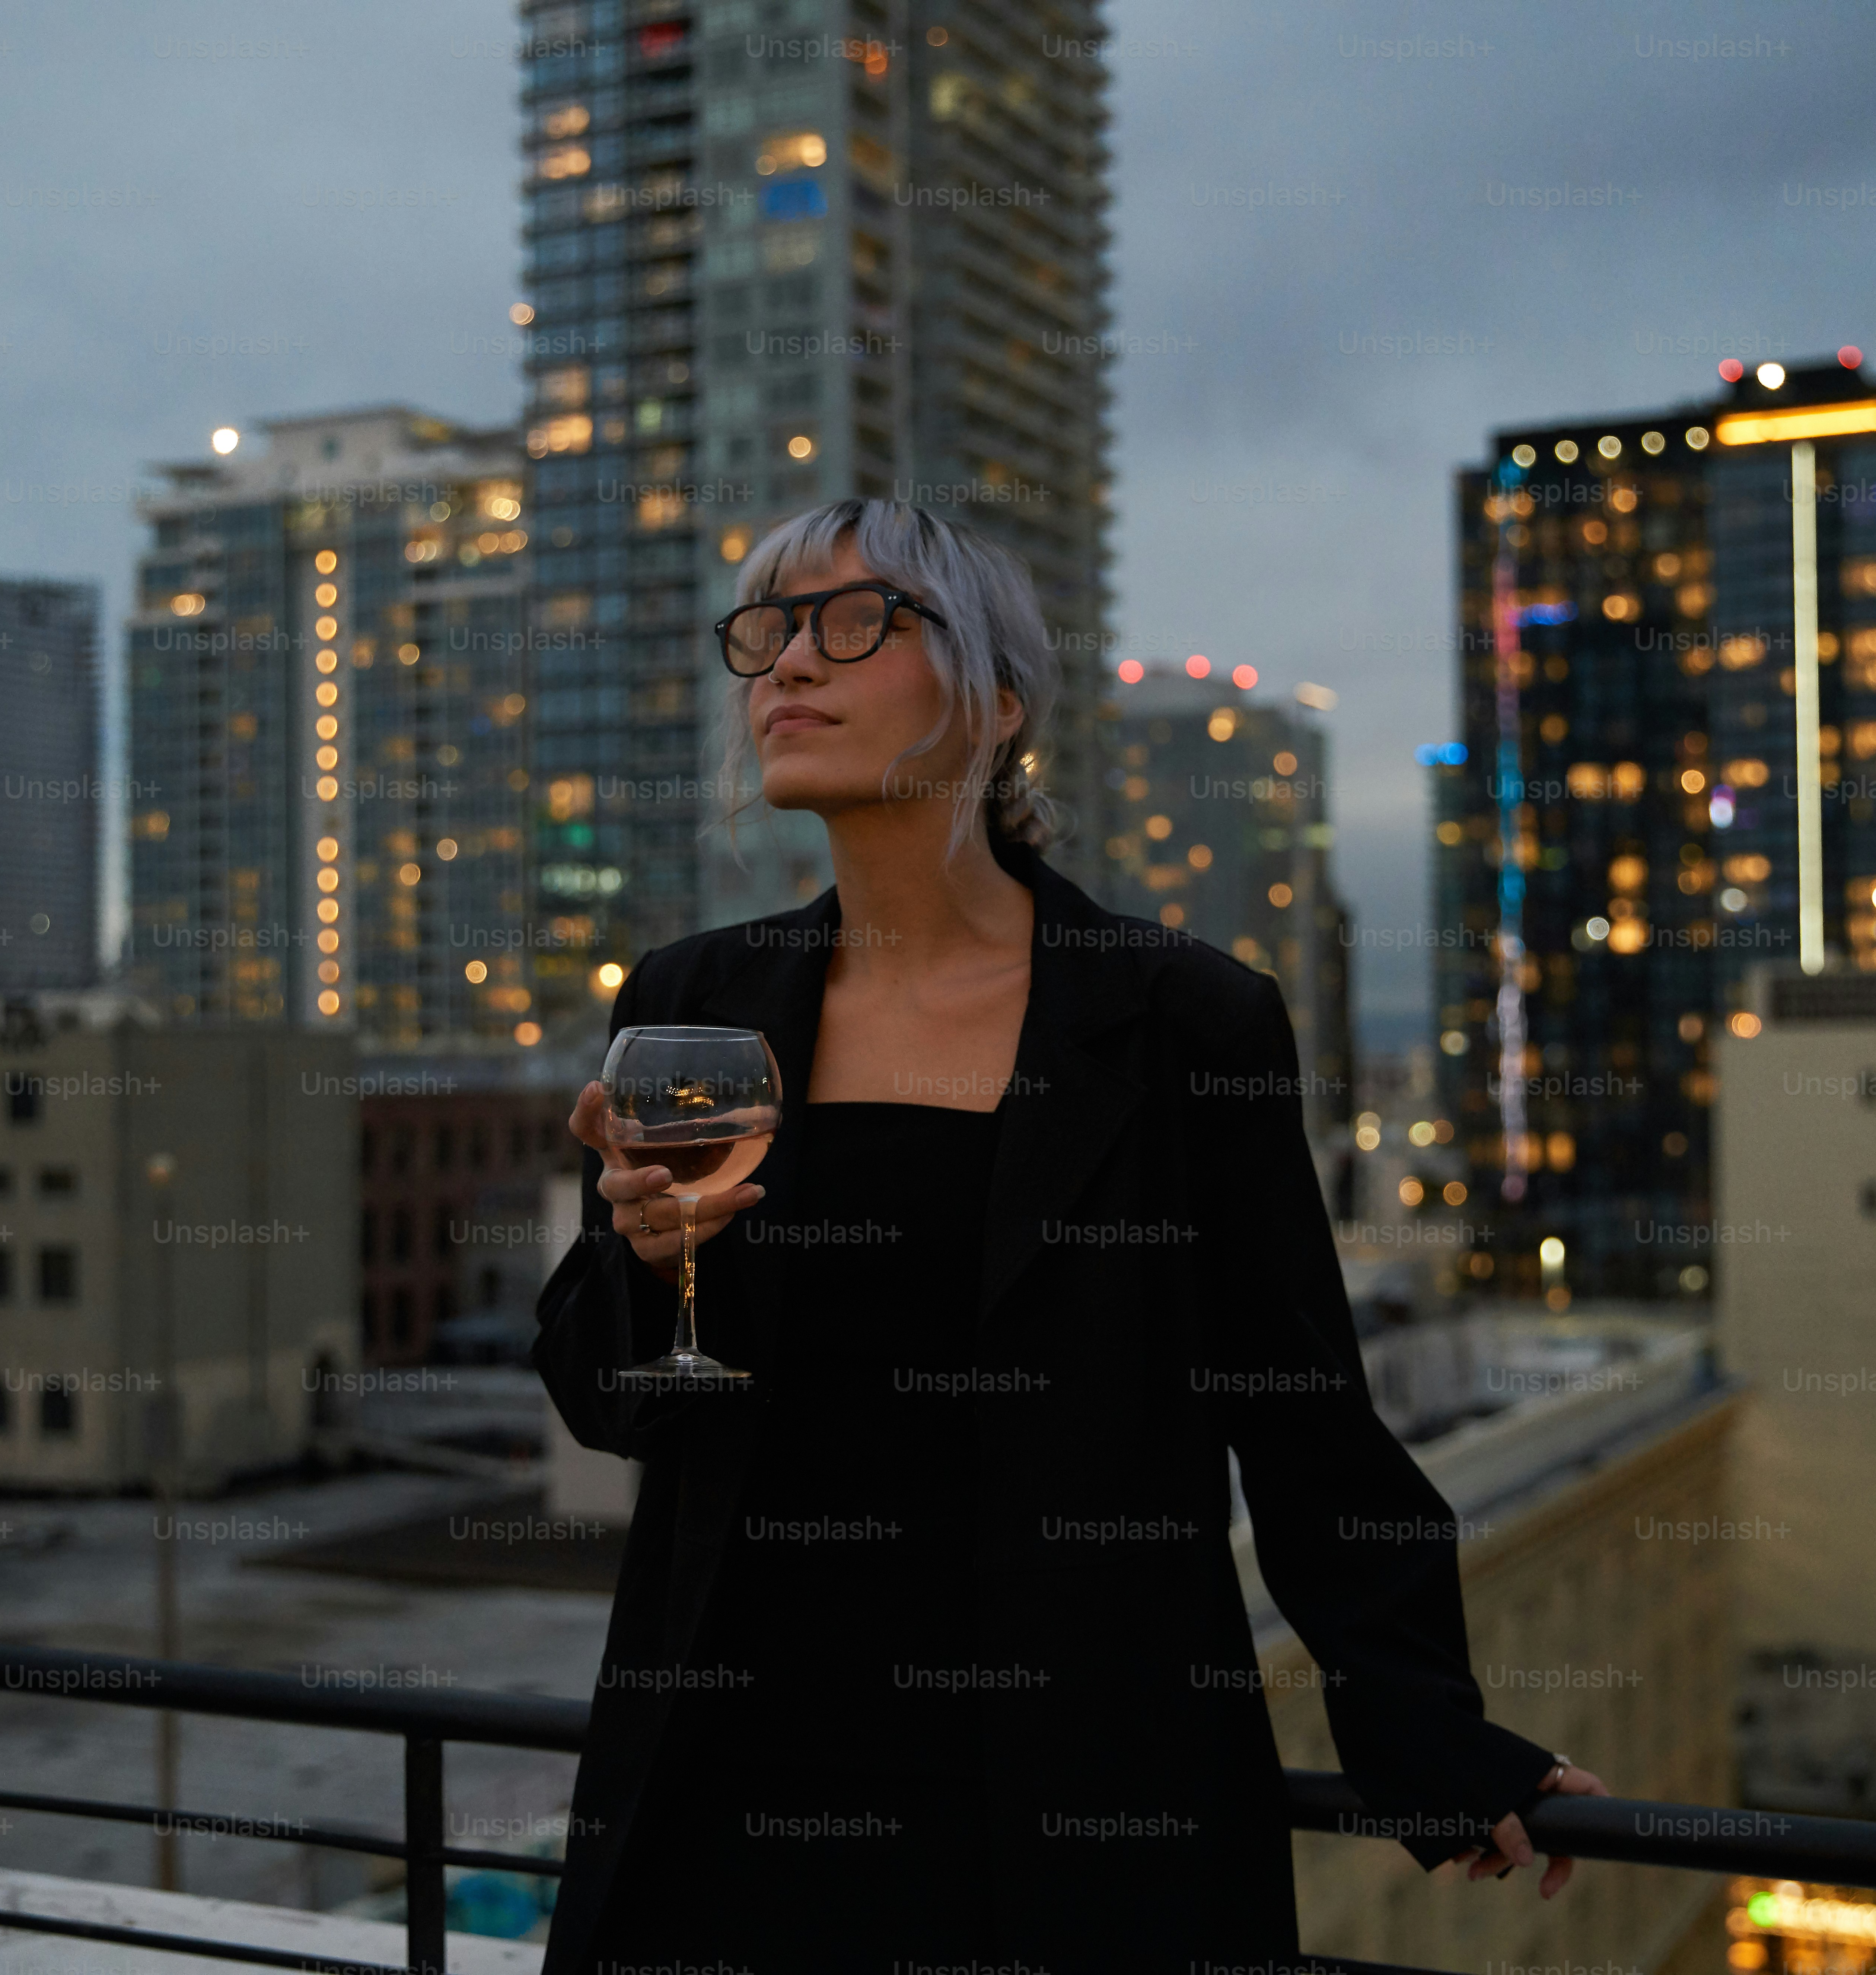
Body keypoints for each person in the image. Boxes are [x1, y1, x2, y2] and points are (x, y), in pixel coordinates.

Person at [533, 497, 1603, 1974]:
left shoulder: (1178, 1018)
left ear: (996, 701)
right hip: (734, 1772)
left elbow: (1298, 1412)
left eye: (853, 622)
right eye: (765, 630)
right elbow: (612, 1399)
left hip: (1075, 1786)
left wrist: (1426, 1729)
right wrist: (642, 1265)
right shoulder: (695, 1001)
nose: (786, 664)